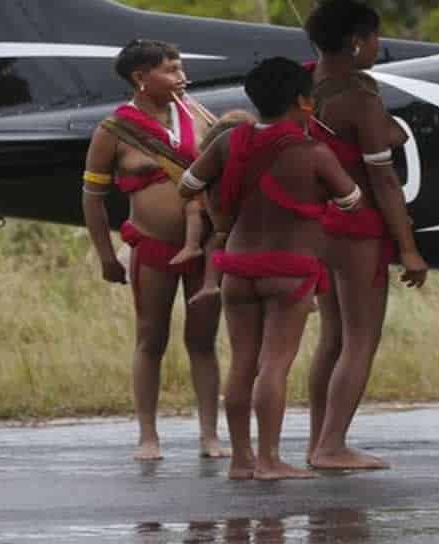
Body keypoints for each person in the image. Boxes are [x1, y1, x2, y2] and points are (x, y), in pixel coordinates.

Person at [180, 57, 362, 481]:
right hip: (290, 270)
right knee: (274, 365)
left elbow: (187, 184)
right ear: (304, 102)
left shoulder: (227, 144)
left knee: (242, 362)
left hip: (237, 268)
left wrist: (221, 215)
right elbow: (350, 200)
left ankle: (242, 461)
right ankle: (270, 459)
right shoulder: (314, 153)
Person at [81, 39, 224, 461]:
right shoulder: (112, 131)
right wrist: (106, 255)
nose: (181, 77)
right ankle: (148, 435)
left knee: (203, 339)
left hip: (204, 248)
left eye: (181, 68)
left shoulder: (198, 114)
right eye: (171, 70)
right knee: (151, 338)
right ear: (141, 78)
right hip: (152, 246)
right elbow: (92, 197)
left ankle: (210, 435)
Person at [304, 0, 428, 471]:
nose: (379, 46)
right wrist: (410, 248)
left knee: (332, 338)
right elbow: (385, 179)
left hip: (320, 224)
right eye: (375, 37)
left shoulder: (311, 84)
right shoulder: (358, 99)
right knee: (361, 340)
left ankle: (319, 441)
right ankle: (333, 445)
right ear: (357, 42)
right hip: (358, 227)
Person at [181, 109, 257, 309]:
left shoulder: (216, 161)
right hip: (261, 230)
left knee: (212, 243)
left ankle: (209, 283)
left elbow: (187, 187)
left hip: (228, 228)